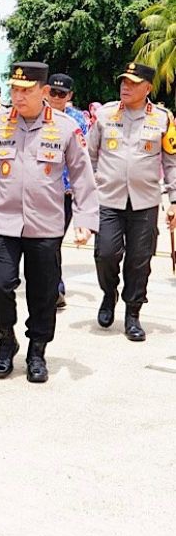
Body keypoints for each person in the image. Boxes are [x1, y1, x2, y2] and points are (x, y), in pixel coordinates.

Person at [0, 62, 98, 382]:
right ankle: (6, 341)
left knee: (43, 293)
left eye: (26, 90)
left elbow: (82, 175)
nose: (18, 96)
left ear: (44, 92)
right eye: (14, 90)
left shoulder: (65, 128)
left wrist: (85, 218)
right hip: (2, 222)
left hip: (46, 225)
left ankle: (37, 350)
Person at [85, 61, 176, 341]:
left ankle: (133, 312)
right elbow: (89, 155)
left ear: (147, 88)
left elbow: (171, 162)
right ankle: (109, 293)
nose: (126, 86)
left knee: (139, 260)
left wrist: (174, 199)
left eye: (133, 83)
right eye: (124, 81)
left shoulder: (163, 118)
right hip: (108, 199)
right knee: (105, 254)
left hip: (145, 202)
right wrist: (91, 188)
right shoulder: (106, 115)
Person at [46, 73, 90, 309]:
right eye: (52, 92)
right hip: (36, 192)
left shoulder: (78, 121)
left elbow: (85, 160)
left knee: (52, 241)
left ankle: (55, 287)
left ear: (69, 96)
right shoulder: (34, 116)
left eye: (61, 94)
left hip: (64, 193)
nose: (56, 98)